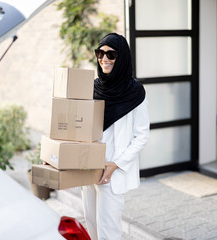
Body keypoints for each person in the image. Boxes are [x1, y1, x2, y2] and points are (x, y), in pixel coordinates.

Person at [81, 33, 150, 240]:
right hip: (88, 167)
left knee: (108, 230)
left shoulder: (135, 92)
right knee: (91, 224)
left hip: (113, 171)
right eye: (100, 53)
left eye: (111, 54)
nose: (104, 59)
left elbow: (142, 136)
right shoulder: (93, 87)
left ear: (121, 58)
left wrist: (115, 164)